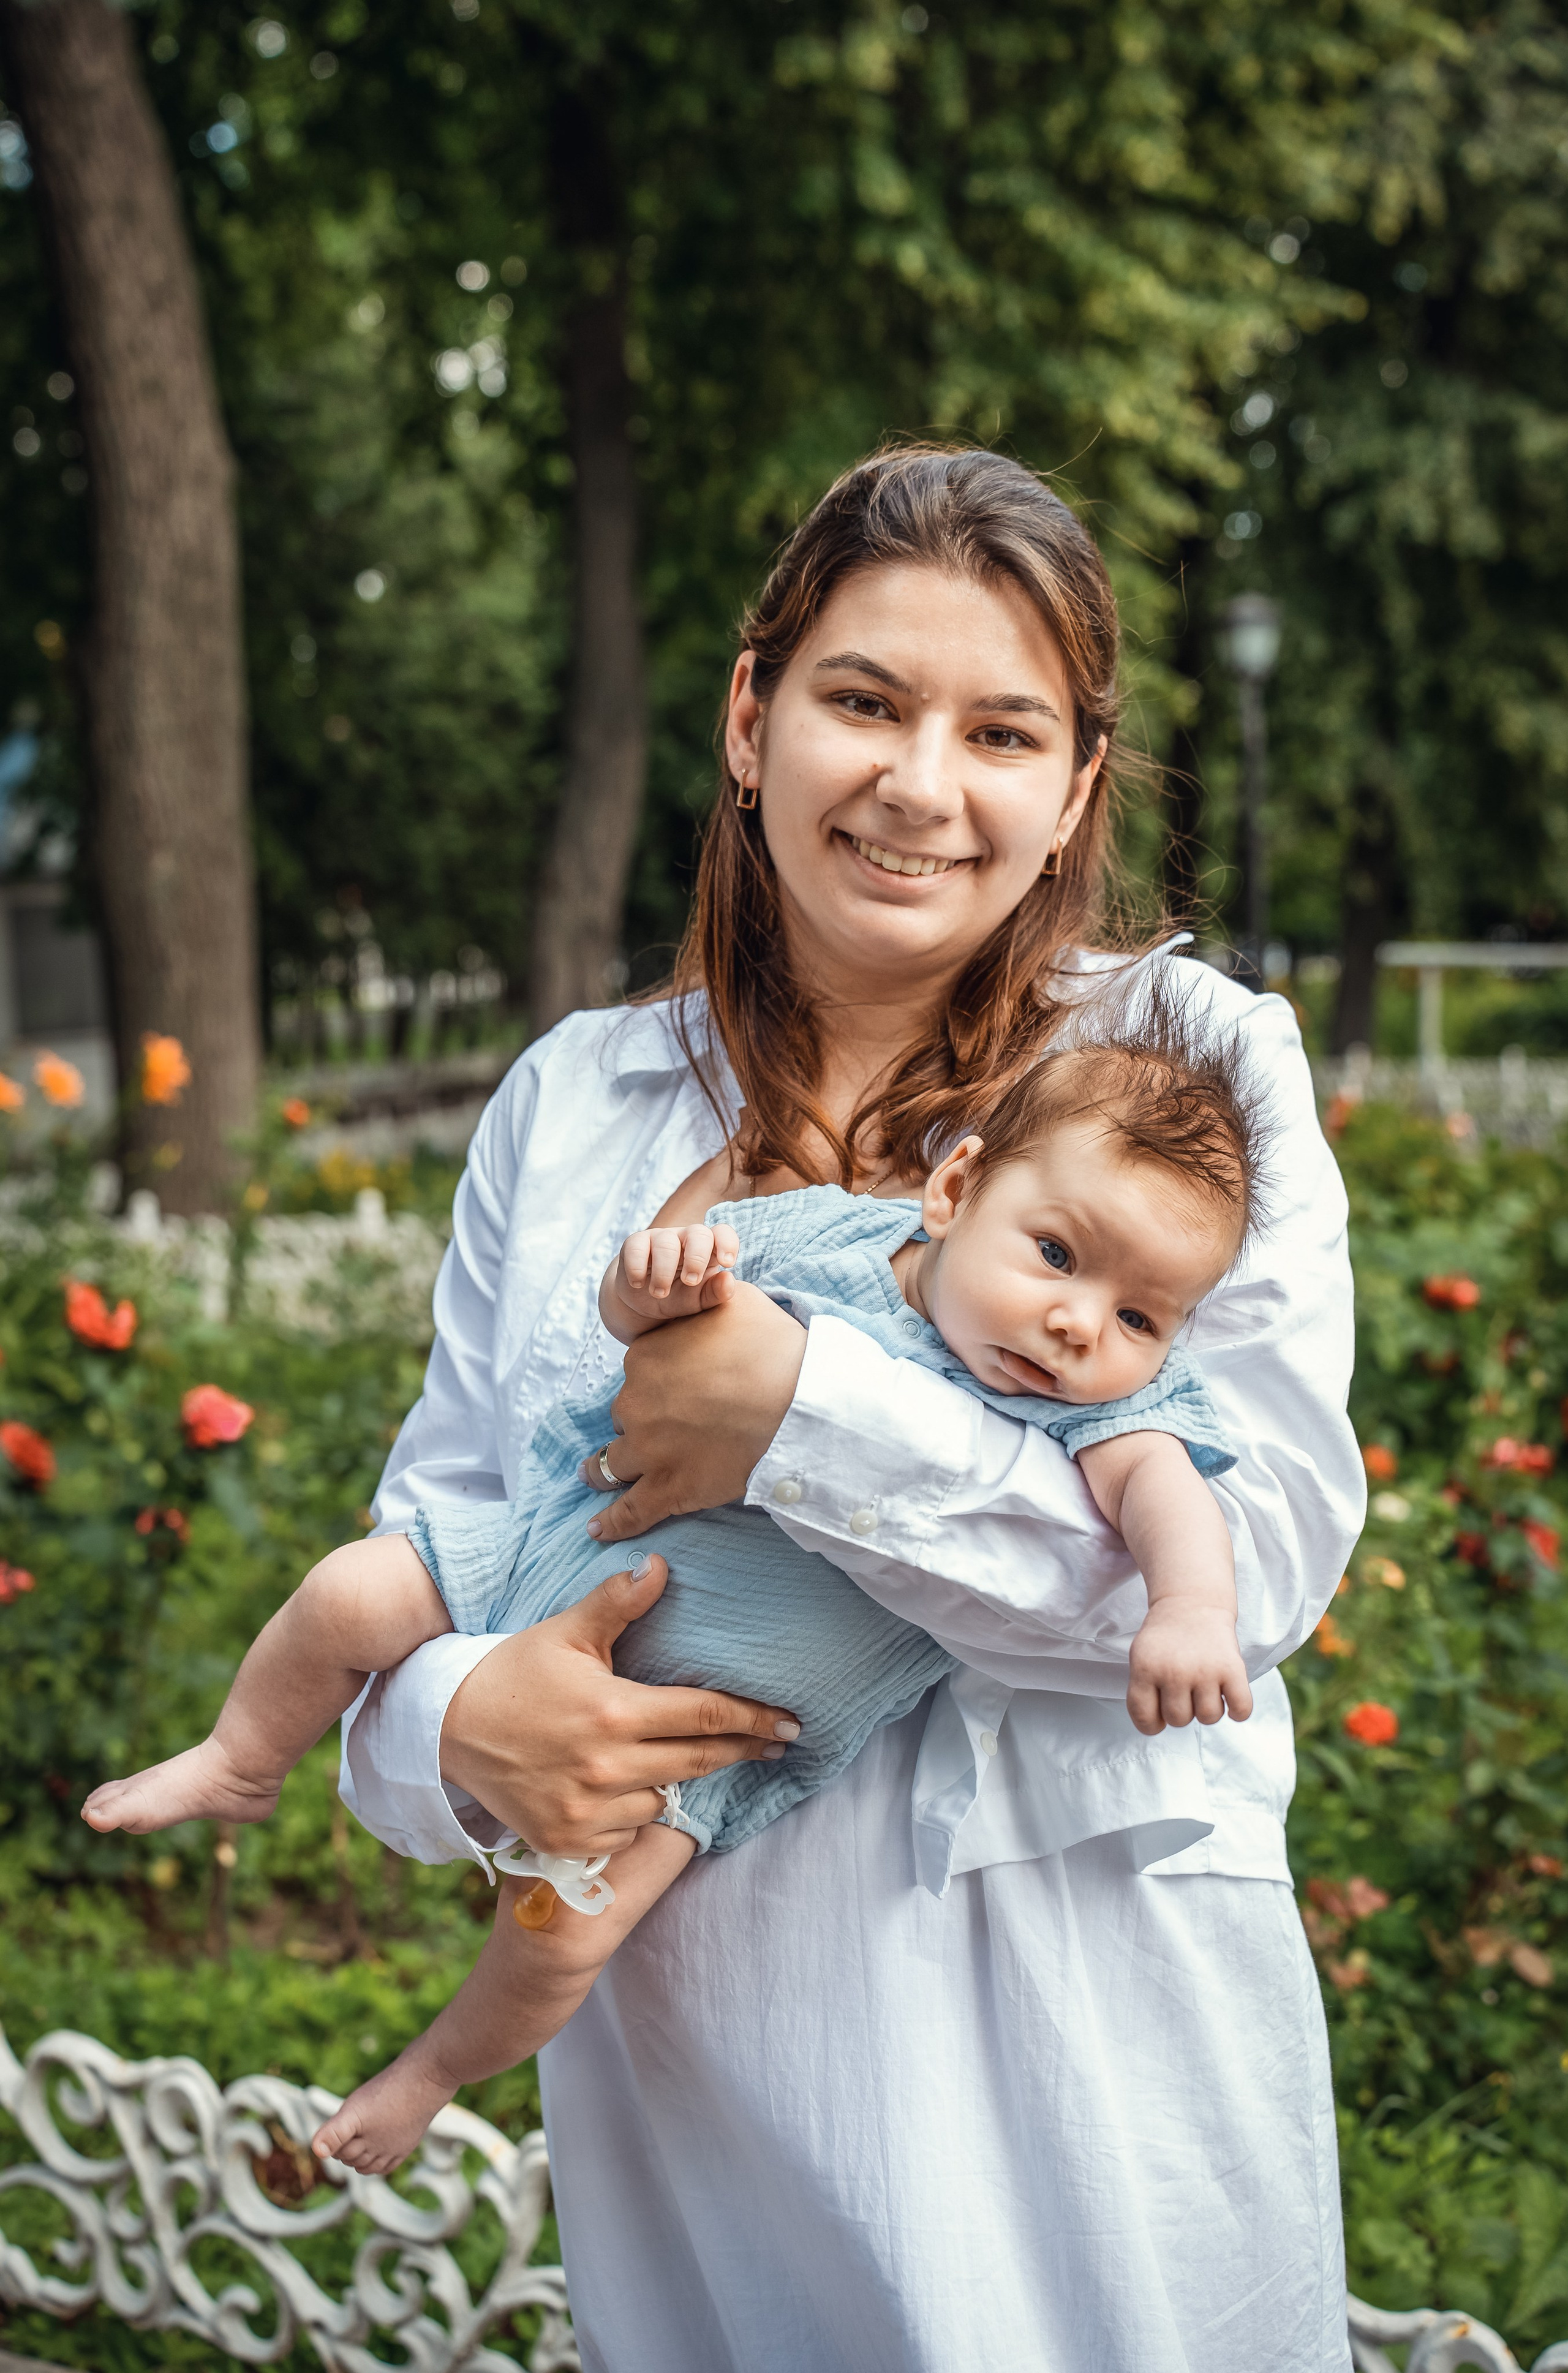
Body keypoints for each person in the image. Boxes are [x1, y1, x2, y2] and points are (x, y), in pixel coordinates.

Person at [337, 445, 1363, 2372]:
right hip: (700, 2065)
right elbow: (445, 1526)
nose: (918, 784)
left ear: (1072, 791)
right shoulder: (578, 1103)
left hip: (1086, 2055)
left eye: (1002, 731)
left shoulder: (1193, 1067)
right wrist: (457, 1713)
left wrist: (791, 1415)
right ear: (752, 716)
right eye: (864, 700)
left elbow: (1262, 1561)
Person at [82, 988, 1263, 2180]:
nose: (1074, 1324)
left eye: (1137, 1313)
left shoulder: (1098, 1407)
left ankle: (430, 2072)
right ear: (952, 1193)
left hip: (709, 1737)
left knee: (561, 1935)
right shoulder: (840, 1239)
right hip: (559, 1551)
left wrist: (1187, 1609)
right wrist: (651, 1281)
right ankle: (241, 1759)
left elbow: (1169, 1501)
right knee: (347, 1593)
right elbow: (639, 1309)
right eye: (1054, 1254)